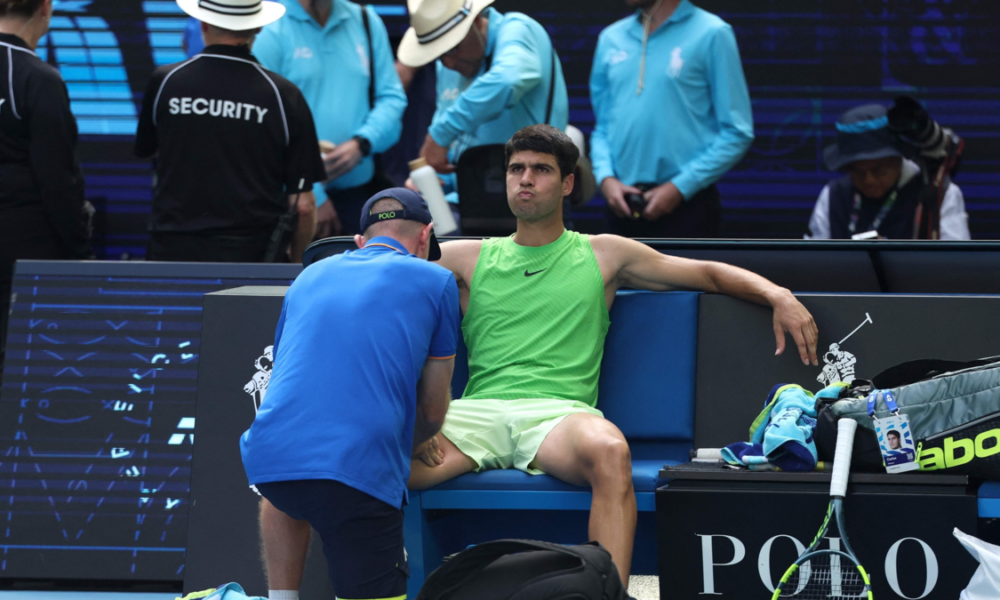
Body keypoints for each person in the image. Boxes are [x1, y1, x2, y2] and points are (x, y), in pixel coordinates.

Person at [410, 124, 818, 585]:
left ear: (566, 184)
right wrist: (416, 417)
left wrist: (778, 294)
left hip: (559, 417)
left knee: (610, 451)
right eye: (516, 169)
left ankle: (607, 595)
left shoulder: (605, 252)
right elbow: (378, 282)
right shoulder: (465, 256)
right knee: (370, 457)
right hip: (477, 416)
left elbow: (707, 273)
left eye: (541, 170)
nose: (525, 179)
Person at [241, 188, 460, 600]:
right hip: (358, 474)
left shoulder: (308, 275)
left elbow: (291, 375)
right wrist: (410, 444)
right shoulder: (437, 280)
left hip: (269, 461)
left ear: (360, 241)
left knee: (289, 493)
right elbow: (432, 411)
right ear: (425, 236)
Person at [135, 0, 325, 264]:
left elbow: (147, 150)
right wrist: (295, 267)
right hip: (253, 258)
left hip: (172, 252)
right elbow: (304, 206)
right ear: (258, 28)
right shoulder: (283, 95)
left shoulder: (165, 81)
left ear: (202, 23)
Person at [591, 0, 754, 238]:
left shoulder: (712, 33)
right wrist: (605, 178)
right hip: (621, 206)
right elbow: (603, 127)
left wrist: (680, 187)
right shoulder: (610, 38)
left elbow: (737, 131)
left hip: (687, 206)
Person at [253, 0, 407, 237]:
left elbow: (392, 98)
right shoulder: (270, 27)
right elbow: (262, 123)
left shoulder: (366, 21)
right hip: (294, 197)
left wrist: (362, 143)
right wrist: (312, 192)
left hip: (359, 195)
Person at [397, 0, 568, 203]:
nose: (449, 63)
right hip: (470, 201)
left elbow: (508, 79)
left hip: (533, 202)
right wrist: (432, 180)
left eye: (452, 48)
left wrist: (440, 134)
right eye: (439, 55)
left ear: (477, 21)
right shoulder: (449, 66)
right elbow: (452, 142)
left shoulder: (518, 29)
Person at [1, 0, 92, 364]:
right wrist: (80, 253)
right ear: (46, 8)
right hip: (23, 255)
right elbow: (59, 181)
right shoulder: (39, 78)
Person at [806, 104, 970, 240]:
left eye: (879, 170)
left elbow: (958, 267)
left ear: (898, 157)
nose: (869, 180)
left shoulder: (938, 193)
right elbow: (812, 264)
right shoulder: (833, 195)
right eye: (857, 172)